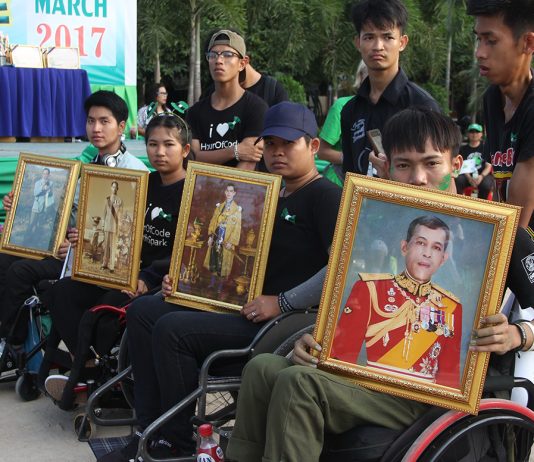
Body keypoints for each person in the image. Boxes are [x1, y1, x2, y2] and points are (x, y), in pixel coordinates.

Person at [226, 107, 532, 462]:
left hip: (432, 391)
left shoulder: (499, 233)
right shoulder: (371, 225)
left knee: (299, 385)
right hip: (368, 372)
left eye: (431, 164)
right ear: (387, 167)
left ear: (455, 163)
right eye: (404, 165)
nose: (418, 178)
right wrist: (317, 342)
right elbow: (348, 312)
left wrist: (519, 334)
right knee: (262, 368)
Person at [97, 101, 342, 462]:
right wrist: (185, 281)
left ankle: (177, 441)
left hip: (278, 321)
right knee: (143, 312)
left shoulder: (326, 197)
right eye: (270, 144)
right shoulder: (267, 191)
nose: (277, 152)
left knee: (172, 330)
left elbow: (340, 270)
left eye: (289, 144)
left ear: (314, 146)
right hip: (237, 301)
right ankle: (148, 430)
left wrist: (283, 301)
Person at [42, 114, 189, 384]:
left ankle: (92, 377)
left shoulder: (192, 192)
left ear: (185, 150)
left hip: (159, 281)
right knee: (61, 291)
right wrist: (88, 238)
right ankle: (87, 366)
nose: (160, 152)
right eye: (153, 144)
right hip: (122, 270)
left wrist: (146, 278)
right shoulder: (141, 183)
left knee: (100, 313)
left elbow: (186, 252)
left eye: (169, 145)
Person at [0, 91, 147, 355]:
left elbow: (127, 233)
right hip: (65, 251)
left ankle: (16, 346)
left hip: (96, 263)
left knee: (19, 272)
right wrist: (18, 204)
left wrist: (79, 248)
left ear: (121, 126)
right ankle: (7, 335)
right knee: (3, 258)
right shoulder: (85, 167)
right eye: (91, 121)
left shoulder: (135, 173)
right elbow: (60, 213)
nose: (96, 128)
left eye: (104, 121)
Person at [331, 215, 462, 389]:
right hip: (371, 391)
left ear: (443, 259)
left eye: (436, 248)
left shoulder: (451, 307)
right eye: (420, 243)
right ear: (404, 247)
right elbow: (340, 359)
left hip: (421, 400)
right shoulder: (370, 289)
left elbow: (449, 380)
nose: (427, 253)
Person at [340, 0, 440, 177]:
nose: (378, 46)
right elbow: (349, 172)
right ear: (358, 42)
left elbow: (435, 175)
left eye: (387, 37)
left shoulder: (422, 106)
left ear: (402, 42)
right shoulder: (350, 110)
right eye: (369, 37)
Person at [467, 0, 534, 231]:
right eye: (479, 39)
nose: (479, 53)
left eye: (491, 41)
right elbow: (499, 182)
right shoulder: (492, 98)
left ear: (528, 43)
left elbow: (518, 214)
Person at [186, 29, 268, 171]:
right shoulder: (195, 112)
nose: (219, 61)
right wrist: (234, 151)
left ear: (242, 63)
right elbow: (191, 158)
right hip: (200, 184)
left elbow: (249, 159)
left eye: (228, 55)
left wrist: (205, 158)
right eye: (213, 55)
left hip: (240, 185)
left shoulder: (256, 108)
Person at [203, 183, 242, 292]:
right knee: (214, 259)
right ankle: (212, 284)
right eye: (227, 191)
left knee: (223, 262)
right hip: (217, 235)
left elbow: (237, 228)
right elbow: (213, 221)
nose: (229, 193)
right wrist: (210, 236)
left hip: (227, 238)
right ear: (225, 192)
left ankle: (220, 287)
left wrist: (231, 242)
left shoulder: (236, 209)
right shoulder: (219, 207)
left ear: (234, 193)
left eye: (231, 191)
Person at [455, 123, 494, 199]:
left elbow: (488, 166)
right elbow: (462, 165)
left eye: (477, 132)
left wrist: (481, 176)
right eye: (472, 132)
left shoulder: (485, 148)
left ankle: (481, 203)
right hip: (467, 175)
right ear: (468, 134)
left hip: (482, 175)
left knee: (486, 184)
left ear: (481, 134)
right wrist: (469, 178)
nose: (474, 134)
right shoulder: (462, 149)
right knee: (458, 180)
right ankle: (459, 201)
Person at [100, 181, 123, 272]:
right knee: (106, 247)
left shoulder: (120, 200)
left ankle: (112, 266)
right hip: (107, 226)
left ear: (117, 189)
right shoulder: (107, 199)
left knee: (113, 247)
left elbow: (120, 216)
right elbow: (104, 214)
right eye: (113, 187)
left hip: (114, 227)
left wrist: (119, 227)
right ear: (111, 188)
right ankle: (104, 263)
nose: (114, 189)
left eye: (115, 187)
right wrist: (102, 225)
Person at [29, 167, 55, 235]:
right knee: (31, 225)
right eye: (44, 173)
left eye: (46, 174)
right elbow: (35, 193)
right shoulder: (37, 183)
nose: (45, 175)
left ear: (49, 175)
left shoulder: (51, 183)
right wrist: (42, 188)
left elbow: (51, 195)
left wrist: (49, 191)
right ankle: (26, 238)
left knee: (39, 226)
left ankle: (35, 239)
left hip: (45, 208)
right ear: (42, 174)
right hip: (36, 208)